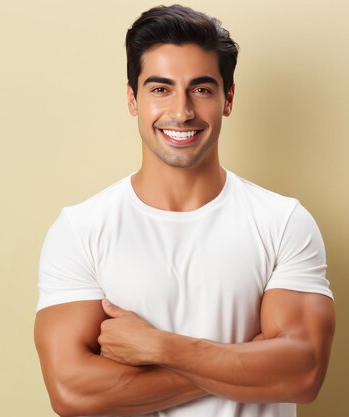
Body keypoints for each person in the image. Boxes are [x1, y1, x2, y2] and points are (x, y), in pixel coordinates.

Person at [34, 4, 335, 417]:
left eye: (201, 89)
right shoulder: (81, 228)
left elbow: (302, 374)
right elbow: (73, 394)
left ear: (227, 99)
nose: (181, 112)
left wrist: (160, 347)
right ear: (132, 99)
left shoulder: (282, 222)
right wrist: (246, 362)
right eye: (160, 89)